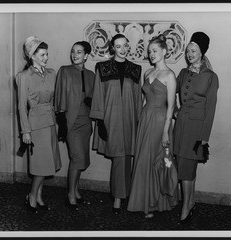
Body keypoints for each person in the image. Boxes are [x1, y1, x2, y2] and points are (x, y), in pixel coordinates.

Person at [90, 34, 142, 214]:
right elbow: (97, 95)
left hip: (129, 120)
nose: (122, 49)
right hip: (110, 121)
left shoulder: (135, 69)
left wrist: (138, 121)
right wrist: (100, 121)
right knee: (120, 157)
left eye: (124, 46)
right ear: (112, 48)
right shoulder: (102, 68)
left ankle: (124, 194)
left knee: (126, 157)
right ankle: (119, 198)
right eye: (118, 46)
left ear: (128, 47)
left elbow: (137, 98)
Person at [127, 34, 178, 218]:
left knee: (156, 160)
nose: (151, 54)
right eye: (149, 52)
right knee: (143, 160)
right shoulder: (147, 73)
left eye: (155, 51)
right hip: (145, 119)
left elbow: (171, 107)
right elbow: (142, 100)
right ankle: (143, 201)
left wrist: (166, 132)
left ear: (164, 51)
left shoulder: (170, 75)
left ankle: (154, 203)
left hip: (159, 122)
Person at [173, 32, 219, 224]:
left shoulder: (211, 77)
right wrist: (174, 110)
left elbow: (211, 109)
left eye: (194, 50)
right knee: (184, 166)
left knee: (187, 168)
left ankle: (186, 207)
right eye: (188, 50)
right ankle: (190, 201)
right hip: (181, 125)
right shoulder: (183, 73)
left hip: (196, 129)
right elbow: (168, 92)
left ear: (202, 52)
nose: (190, 54)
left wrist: (204, 137)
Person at [16, 36, 62, 213]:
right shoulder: (24, 76)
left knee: (46, 164)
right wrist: (25, 131)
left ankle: (39, 195)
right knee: (40, 165)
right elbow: (21, 106)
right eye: (42, 55)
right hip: (35, 125)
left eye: (47, 54)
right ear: (32, 56)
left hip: (50, 122)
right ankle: (32, 196)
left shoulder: (51, 73)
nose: (46, 58)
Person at [54, 41, 95, 210]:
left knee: (82, 159)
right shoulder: (65, 71)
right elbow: (59, 96)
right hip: (71, 122)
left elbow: (94, 100)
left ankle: (76, 190)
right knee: (77, 158)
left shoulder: (92, 75)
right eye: (73, 51)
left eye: (79, 52)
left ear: (86, 55)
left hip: (86, 122)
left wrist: (90, 102)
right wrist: (62, 122)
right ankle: (71, 194)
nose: (75, 54)